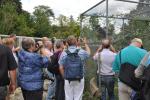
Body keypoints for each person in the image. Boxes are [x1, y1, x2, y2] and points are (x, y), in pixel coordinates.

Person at [59, 35, 90, 100]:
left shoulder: (64, 53)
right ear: (76, 42)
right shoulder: (81, 52)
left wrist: (64, 77)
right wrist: (85, 43)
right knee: (78, 97)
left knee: (68, 97)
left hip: (68, 78)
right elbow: (89, 53)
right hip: (80, 77)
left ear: (67, 43)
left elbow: (61, 67)